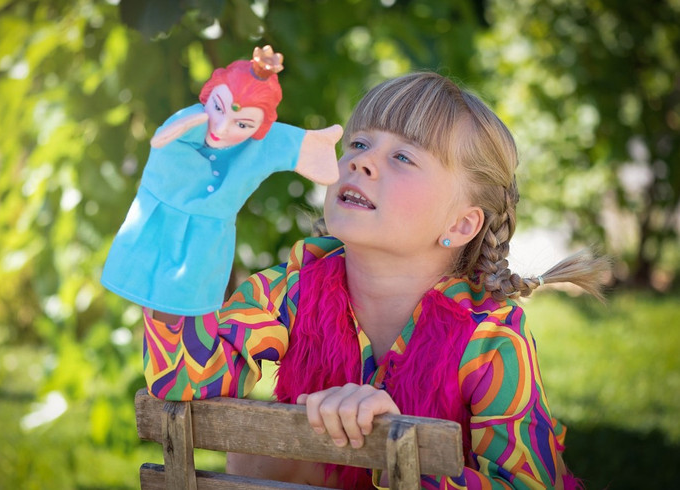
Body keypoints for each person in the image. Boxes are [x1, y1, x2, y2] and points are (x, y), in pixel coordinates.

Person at [142, 71, 609, 489]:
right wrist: (184, 245)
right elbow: (186, 383)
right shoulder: (293, 288)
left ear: (461, 226)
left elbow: (526, 484)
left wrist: (398, 453)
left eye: (404, 157)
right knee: (259, 455)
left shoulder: (491, 340)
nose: (361, 162)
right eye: (360, 144)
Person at [101, 46, 341, 315]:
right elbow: (164, 136)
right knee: (151, 302)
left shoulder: (261, 144)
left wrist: (321, 147)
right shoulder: (188, 124)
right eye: (218, 107)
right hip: (158, 220)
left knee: (184, 314)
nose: (222, 127)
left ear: (259, 128)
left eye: (242, 125)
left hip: (206, 239)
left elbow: (301, 148)